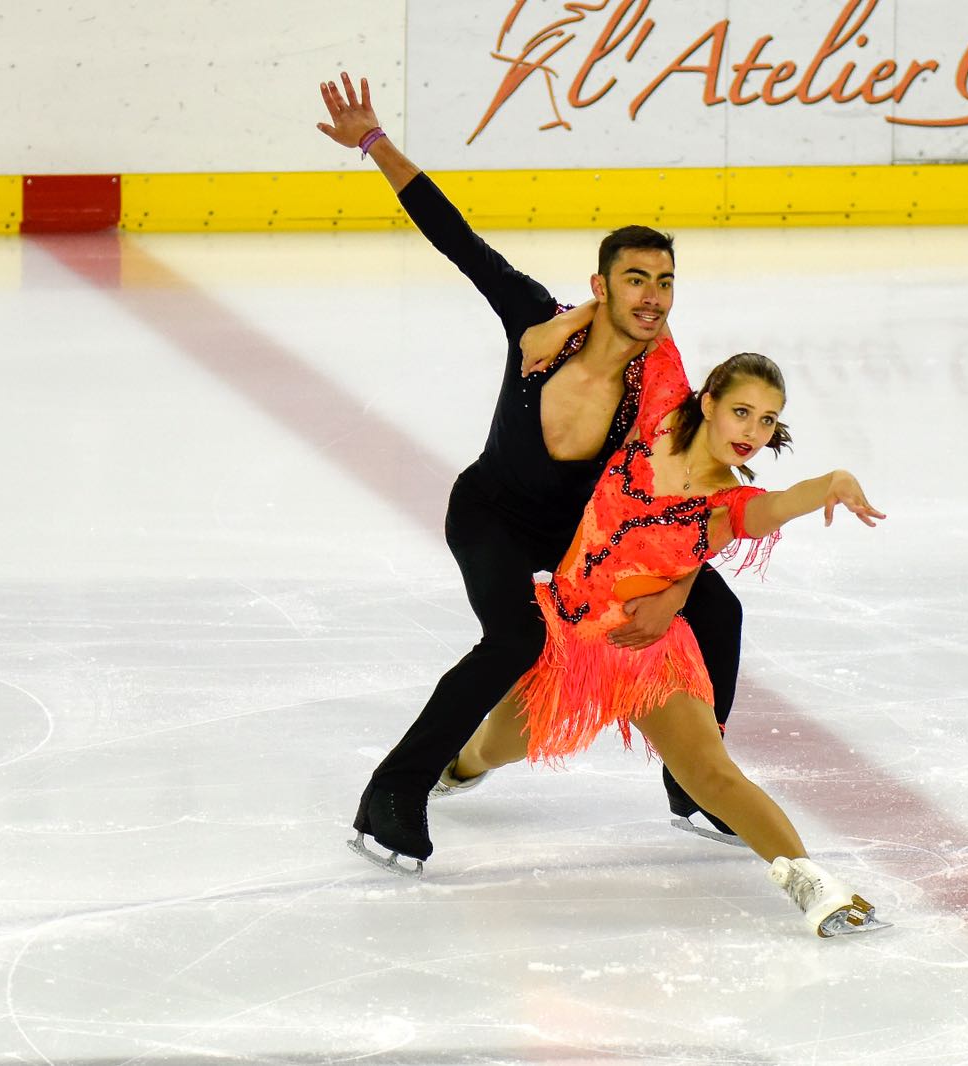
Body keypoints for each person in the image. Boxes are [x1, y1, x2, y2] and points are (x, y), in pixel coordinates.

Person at [316, 72, 746, 869]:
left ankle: (694, 780)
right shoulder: (535, 317)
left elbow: (688, 496)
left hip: (587, 533)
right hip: (491, 515)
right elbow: (455, 237)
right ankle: (393, 794)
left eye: (664, 282)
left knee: (719, 614)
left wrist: (680, 587)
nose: (653, 298)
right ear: (600, 286)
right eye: (635, 280)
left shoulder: (664, 383)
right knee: (512, 636)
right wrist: (375, 144)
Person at [445, 312, 892, 937]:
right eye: (742, 412)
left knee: (712, 772)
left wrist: (829, 484)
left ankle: (814, 885)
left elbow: (772, 509)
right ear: (707, 402)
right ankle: (457, 767)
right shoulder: (657, 411)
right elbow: (645, 320)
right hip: (571, 646)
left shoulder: (726, 504)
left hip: (650, 654)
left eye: (767, 421)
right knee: (494, 746)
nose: (753, 432)